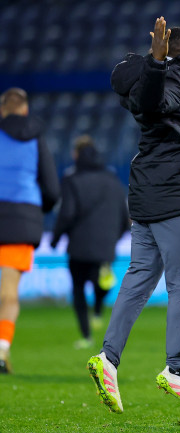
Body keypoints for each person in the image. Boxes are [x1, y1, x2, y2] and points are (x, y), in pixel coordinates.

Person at [87, 17, 180, 413]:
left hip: (148, 194)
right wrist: (159, 62)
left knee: (140, 276)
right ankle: (176, 369)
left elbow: (144, 97)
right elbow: (155, 101)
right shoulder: (175, 76)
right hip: (178, 196)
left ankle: (108, 359)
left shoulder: (152, 78)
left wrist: (153, 64)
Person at [0, 87, 60, 374]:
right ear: (25, 110)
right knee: (9, 293)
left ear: (3, 109)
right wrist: (37, 209)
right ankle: (1, 350)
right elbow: (51, 188)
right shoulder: (36, 138)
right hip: (21, 221)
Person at [50, 135, 130, 349]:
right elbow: (125, 216)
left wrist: (56, 238)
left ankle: (86, 335)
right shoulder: (113, 180)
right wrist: (114, 238)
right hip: (105, 246)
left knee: (78, 289)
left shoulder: (71, 179)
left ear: (76, 154)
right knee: (101, 280)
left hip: (79, 245)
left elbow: (67, 213)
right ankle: (98, 309)